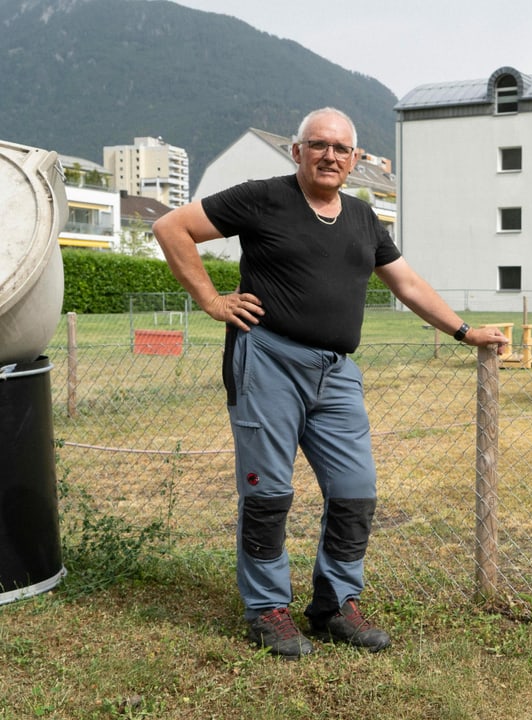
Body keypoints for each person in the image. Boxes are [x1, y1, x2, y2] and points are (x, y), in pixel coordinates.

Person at [154, 107, 508, 659]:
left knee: (355, 493)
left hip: (337, 373)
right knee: (268, 494)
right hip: (267, 359)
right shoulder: (262, 198)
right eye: (318, 145)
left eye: (342, 149)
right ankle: (268, 609)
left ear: (356, 160)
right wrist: (211, 300)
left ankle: (334, 605)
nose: (330, 156)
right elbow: (171, 227)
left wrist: (464, 331)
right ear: (297, 151)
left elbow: (408, 283)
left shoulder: (364, 219)